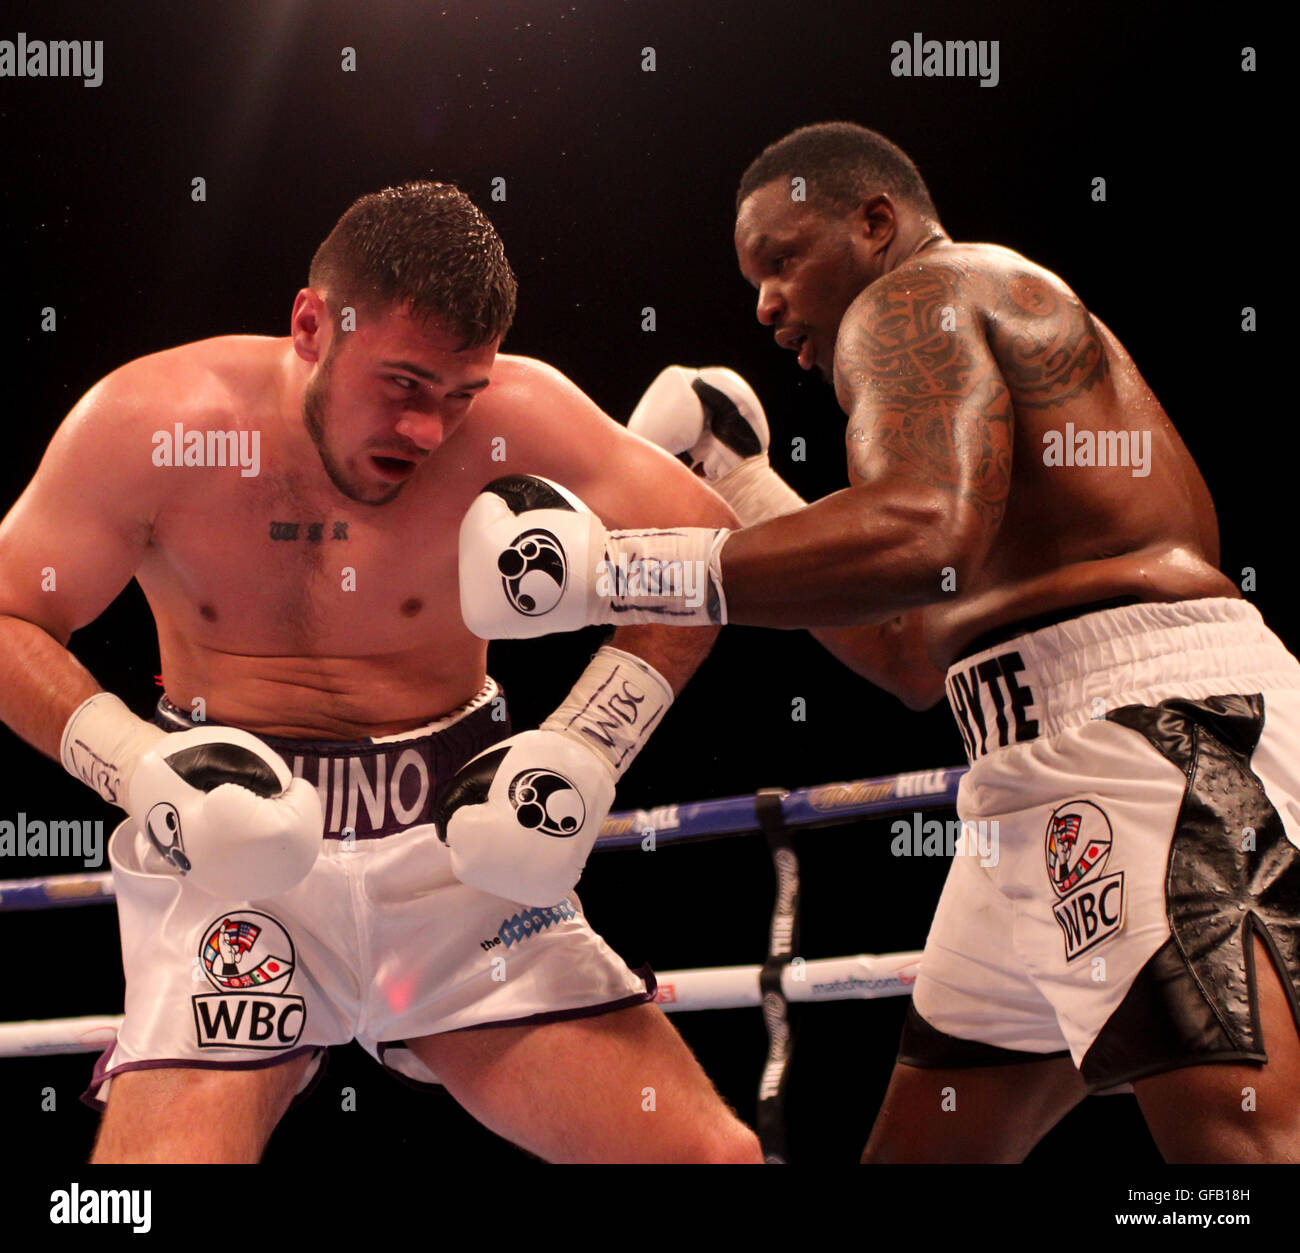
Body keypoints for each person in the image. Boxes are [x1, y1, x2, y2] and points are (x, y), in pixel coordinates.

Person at [458, 123, 1300, 1163]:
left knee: (1237, 1151)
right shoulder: (961, 374)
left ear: (874, 222)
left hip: (1144, 739)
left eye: (781, 258)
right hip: (1029, 768)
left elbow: (918, 532)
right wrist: (738, 473)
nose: (763, 301)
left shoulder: (923, 295)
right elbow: (908, 653)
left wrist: (605, 569)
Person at [0, 180, 761, 1164]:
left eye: (458, 395)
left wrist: (586, 745)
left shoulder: (519, 414)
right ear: (311, 326)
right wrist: (138, 769)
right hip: (236, 873)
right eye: (402, 384)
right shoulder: (157, 421)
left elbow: (707, 544)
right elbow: (9, 607)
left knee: (711, 1158)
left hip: (460, 854)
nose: (427, 432)